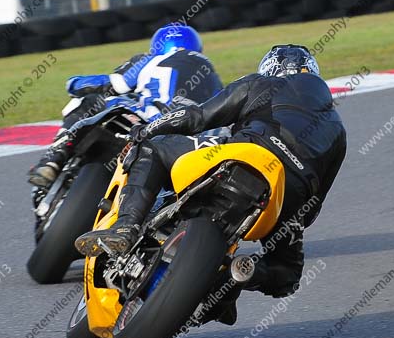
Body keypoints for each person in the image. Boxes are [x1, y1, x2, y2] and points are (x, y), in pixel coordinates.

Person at [75, 45, 347, 307]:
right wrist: (290, 216)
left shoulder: (260, 83)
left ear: (271, 68)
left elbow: (197, 117)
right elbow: (312, 209)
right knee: (287, 276)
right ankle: (238, 273)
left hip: (246, 152)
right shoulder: (338, 129)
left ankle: (126, 226)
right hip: (288, 194)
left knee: (152, 149)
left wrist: (147, 130)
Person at [28, 24, 223, 187]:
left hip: (148, 120)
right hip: (189, 142)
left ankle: (53, 159)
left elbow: (115, 84)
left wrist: (74, 83)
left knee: (90, 101)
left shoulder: (150, 59)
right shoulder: (214, 77)